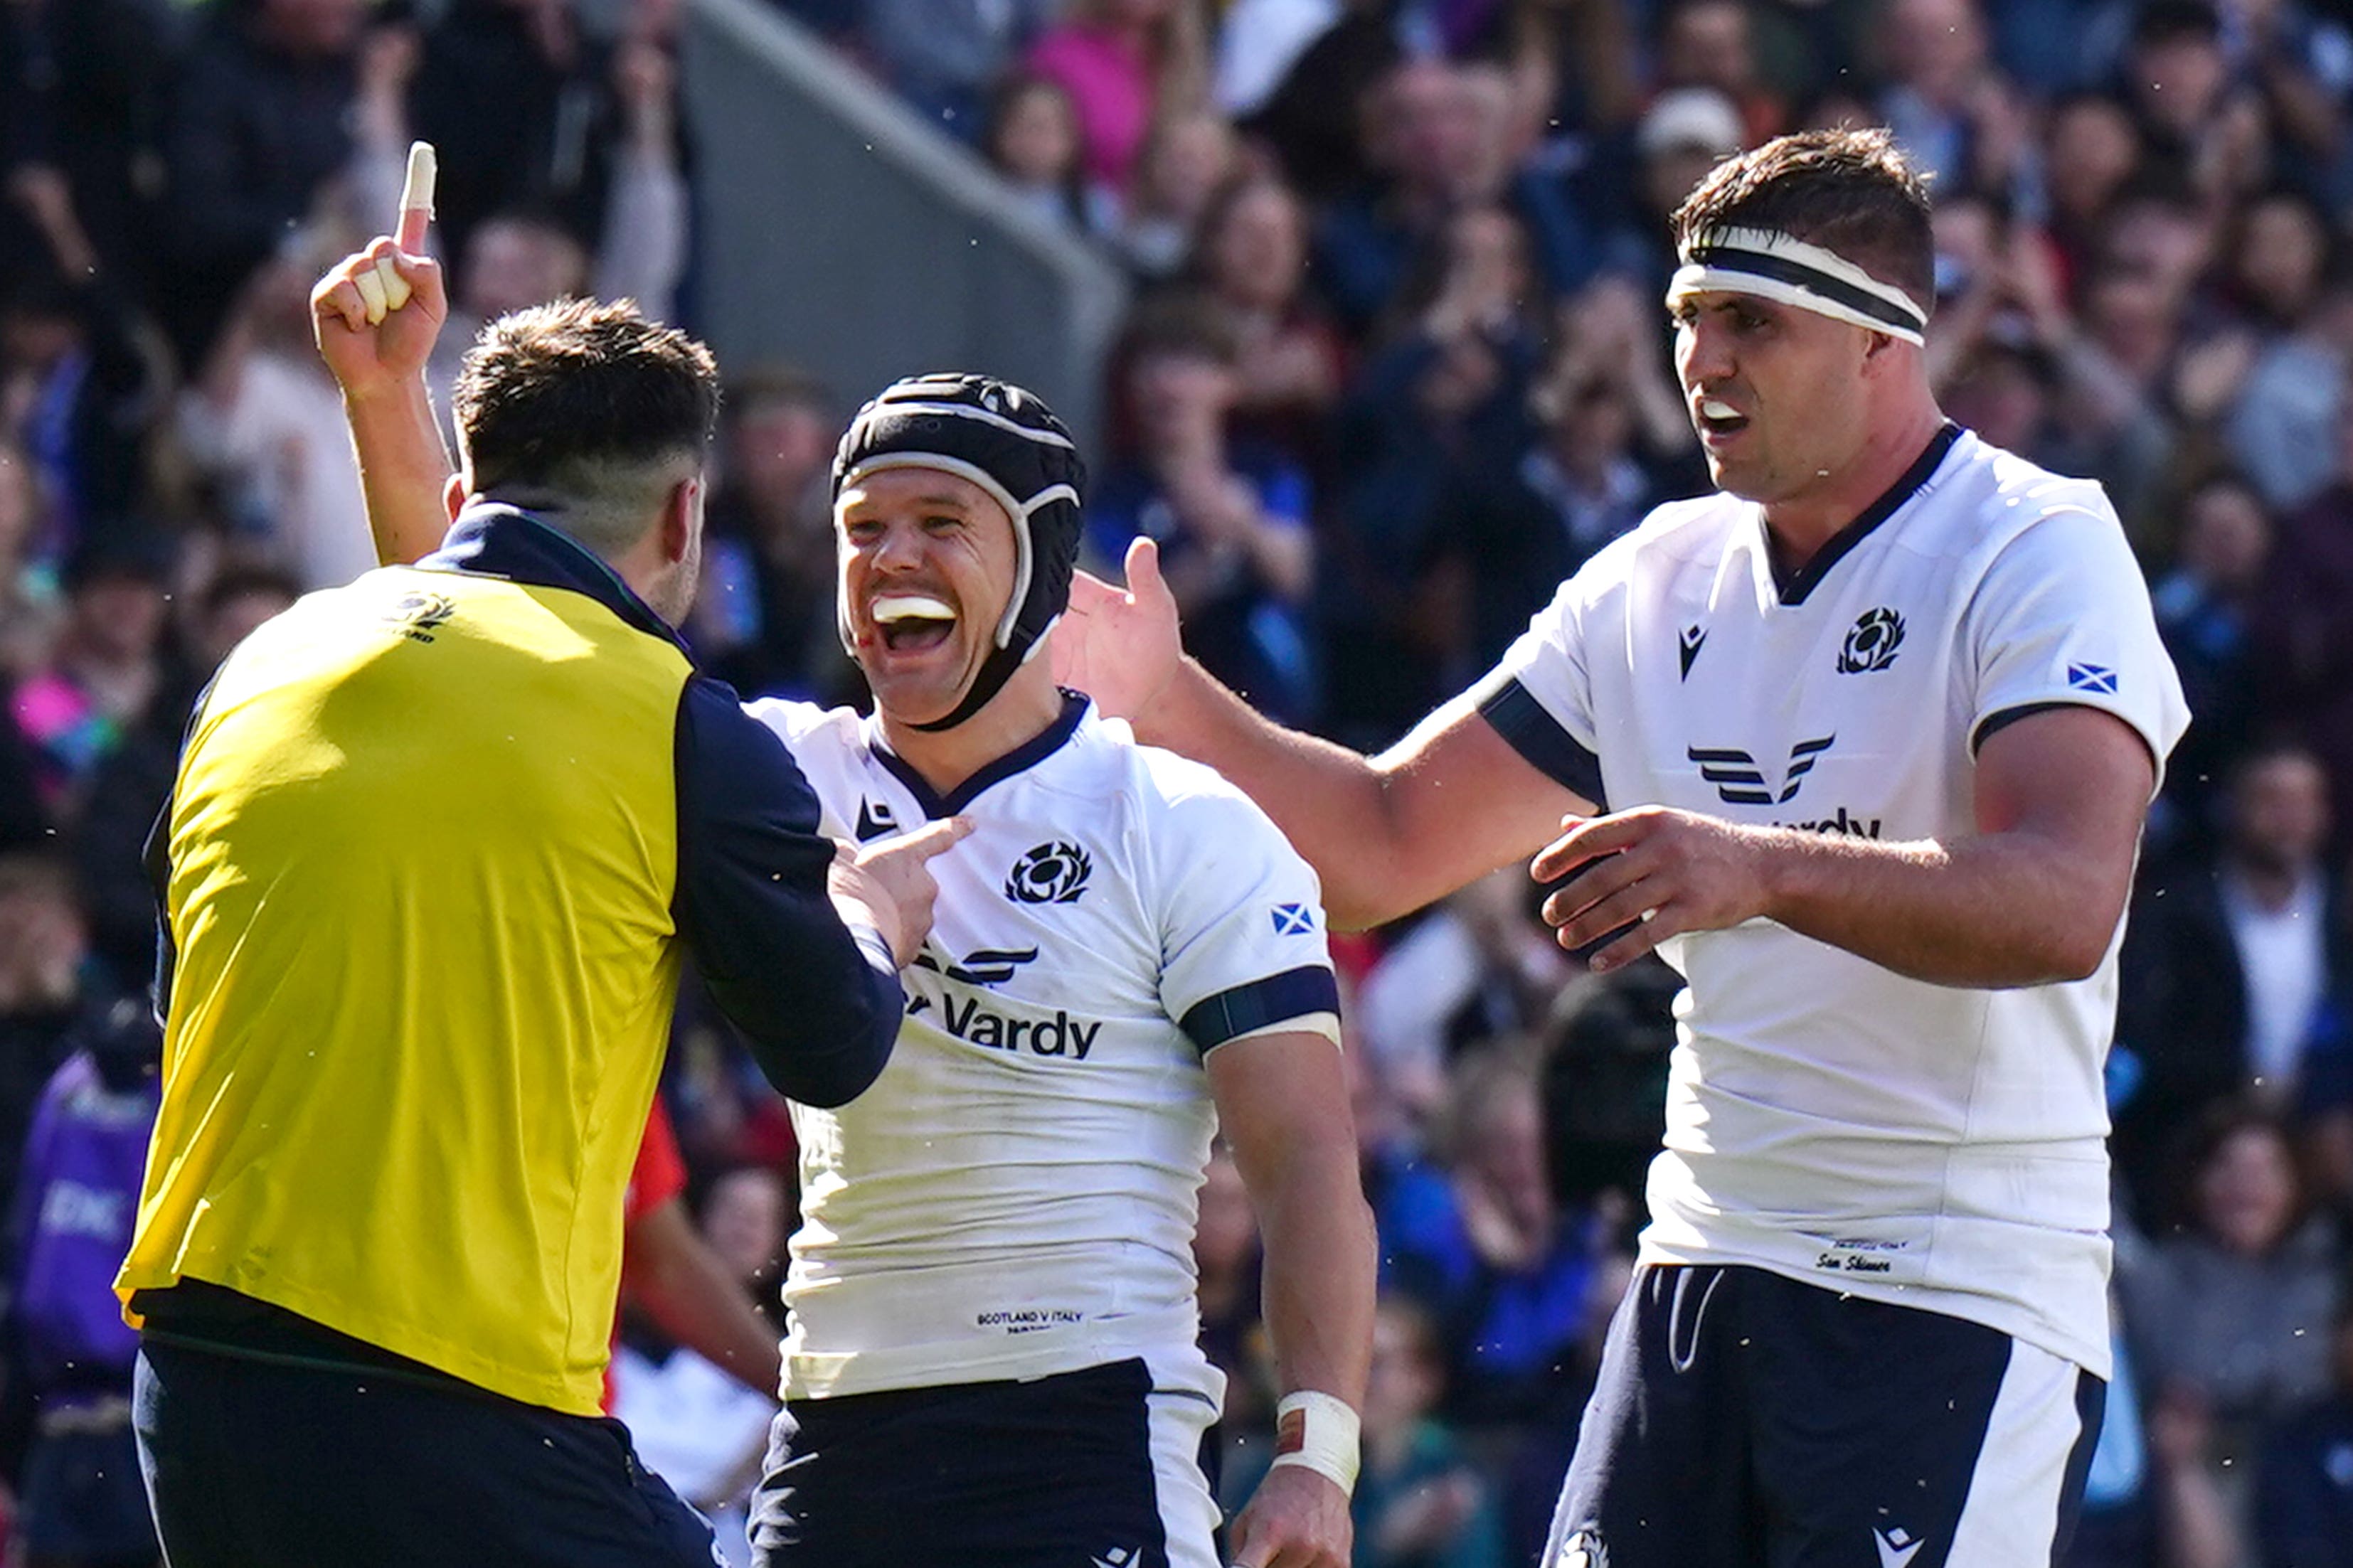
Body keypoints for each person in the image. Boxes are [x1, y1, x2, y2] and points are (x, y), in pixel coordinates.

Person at [1058, 127, 2190, 1565]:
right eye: (1686, 320)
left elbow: (2063, 902)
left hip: (1951, 1292)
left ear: (1883, 342)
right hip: (1703, 1265)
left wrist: (1760, 864)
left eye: (1752, 324)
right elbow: (1380, 843)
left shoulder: (2037, 544)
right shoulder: (1655, 576)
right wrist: (1166, 690)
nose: (1702, 362)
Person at [332, 300, 1378, 1561]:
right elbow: (490, 657)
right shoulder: (767, 767)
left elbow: (1307, 1154)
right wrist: (387, 401)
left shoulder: (1183, 821)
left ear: (1042, 562)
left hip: (1086, 1436)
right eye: (862, 530)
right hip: (833, 1435)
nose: (891, 559)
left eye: (942, 526)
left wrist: (1318, 1454)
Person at [115, 233, 963, 1568]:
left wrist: (378, 396)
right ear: (686, 514)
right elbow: (836, 1047)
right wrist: (877, 916)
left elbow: (191, 998)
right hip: (452, 1402)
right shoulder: (673, 721)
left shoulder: (263, 665)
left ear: (469, 486)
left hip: (198, 1386)